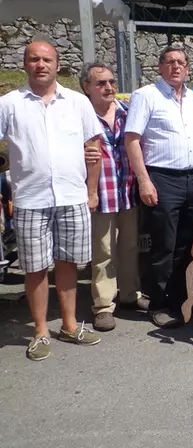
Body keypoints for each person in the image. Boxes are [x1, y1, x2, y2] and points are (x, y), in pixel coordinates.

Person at [0, 42, 103, 361]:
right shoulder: (9, 104)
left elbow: (94, 149)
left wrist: (92, 192)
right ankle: (41, 330)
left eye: (47, 59)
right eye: (34, 59)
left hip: (73, 195)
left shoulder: (77, 103)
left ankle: (70, 325)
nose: (40, 64)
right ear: (25, 64)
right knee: (34, 268)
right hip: (30, 199)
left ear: (58, 65)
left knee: (68, 262)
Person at [125, 45, 193, 328]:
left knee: (188, 243)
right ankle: (158, 302)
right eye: (170, 62)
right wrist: (144, 180)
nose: (176, 66)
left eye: (181, 62)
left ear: (188, 68)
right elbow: (132, 140)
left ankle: (182, 297)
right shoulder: (146, 96)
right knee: (163, 244)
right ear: (160, 67)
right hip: (162, 178)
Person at [80, 62, 146, 333]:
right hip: (101, 192)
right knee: (104, 250)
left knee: (130, 246)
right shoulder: (80, 116)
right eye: (100, 83)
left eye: (111, 82)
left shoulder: (127, 110)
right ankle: (104, 305)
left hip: (127, 190)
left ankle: (130, 294)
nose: (108, 87)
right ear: (86, 88)